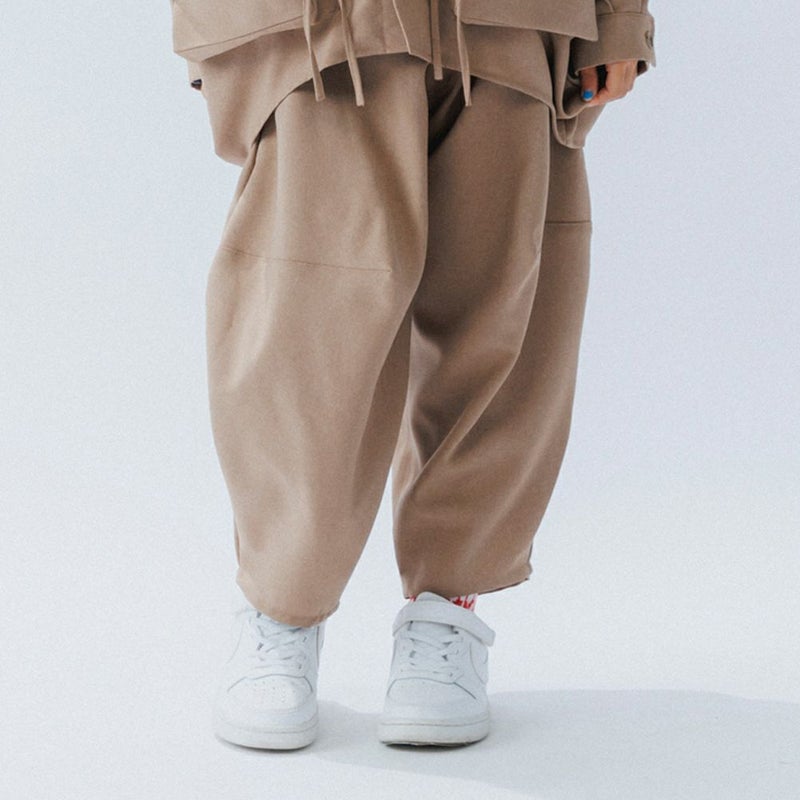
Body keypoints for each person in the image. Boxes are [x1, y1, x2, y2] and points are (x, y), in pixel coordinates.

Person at [170, 0, 656, 749]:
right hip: (319, 25)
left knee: (498, 319)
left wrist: (619, 17)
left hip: (512, 20)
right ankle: (281, 609)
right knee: (304, 334)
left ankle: (448, 609)